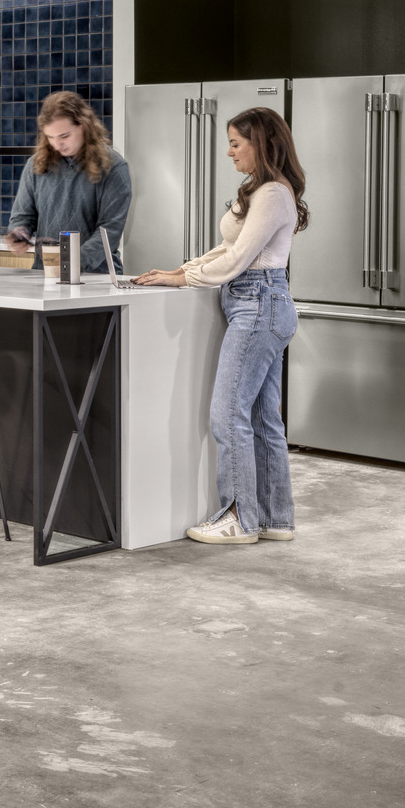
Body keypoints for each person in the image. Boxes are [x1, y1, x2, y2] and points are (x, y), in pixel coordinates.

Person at [133, 107, 306, 546]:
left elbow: (237, 259)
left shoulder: (272, 195)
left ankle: (238, 518)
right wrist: (183, 268)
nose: (228, 152)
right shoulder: (262, 190)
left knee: (227, 414)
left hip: (259, 306)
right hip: (261, 304)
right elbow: (227, 246)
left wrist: (183, 278)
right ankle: (273, 518)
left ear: (261, 144)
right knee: (263, 418)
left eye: (235, 143)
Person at [4, 90, 132, 273]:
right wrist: (19, 234)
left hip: (96, 278)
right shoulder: (36, 165)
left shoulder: (113, 167)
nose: (57, 144)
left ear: (84, 126)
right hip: (45, 274)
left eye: (64, 136)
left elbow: (108, 232)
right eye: (50, 137)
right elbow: (22, 216)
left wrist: (68, 264)